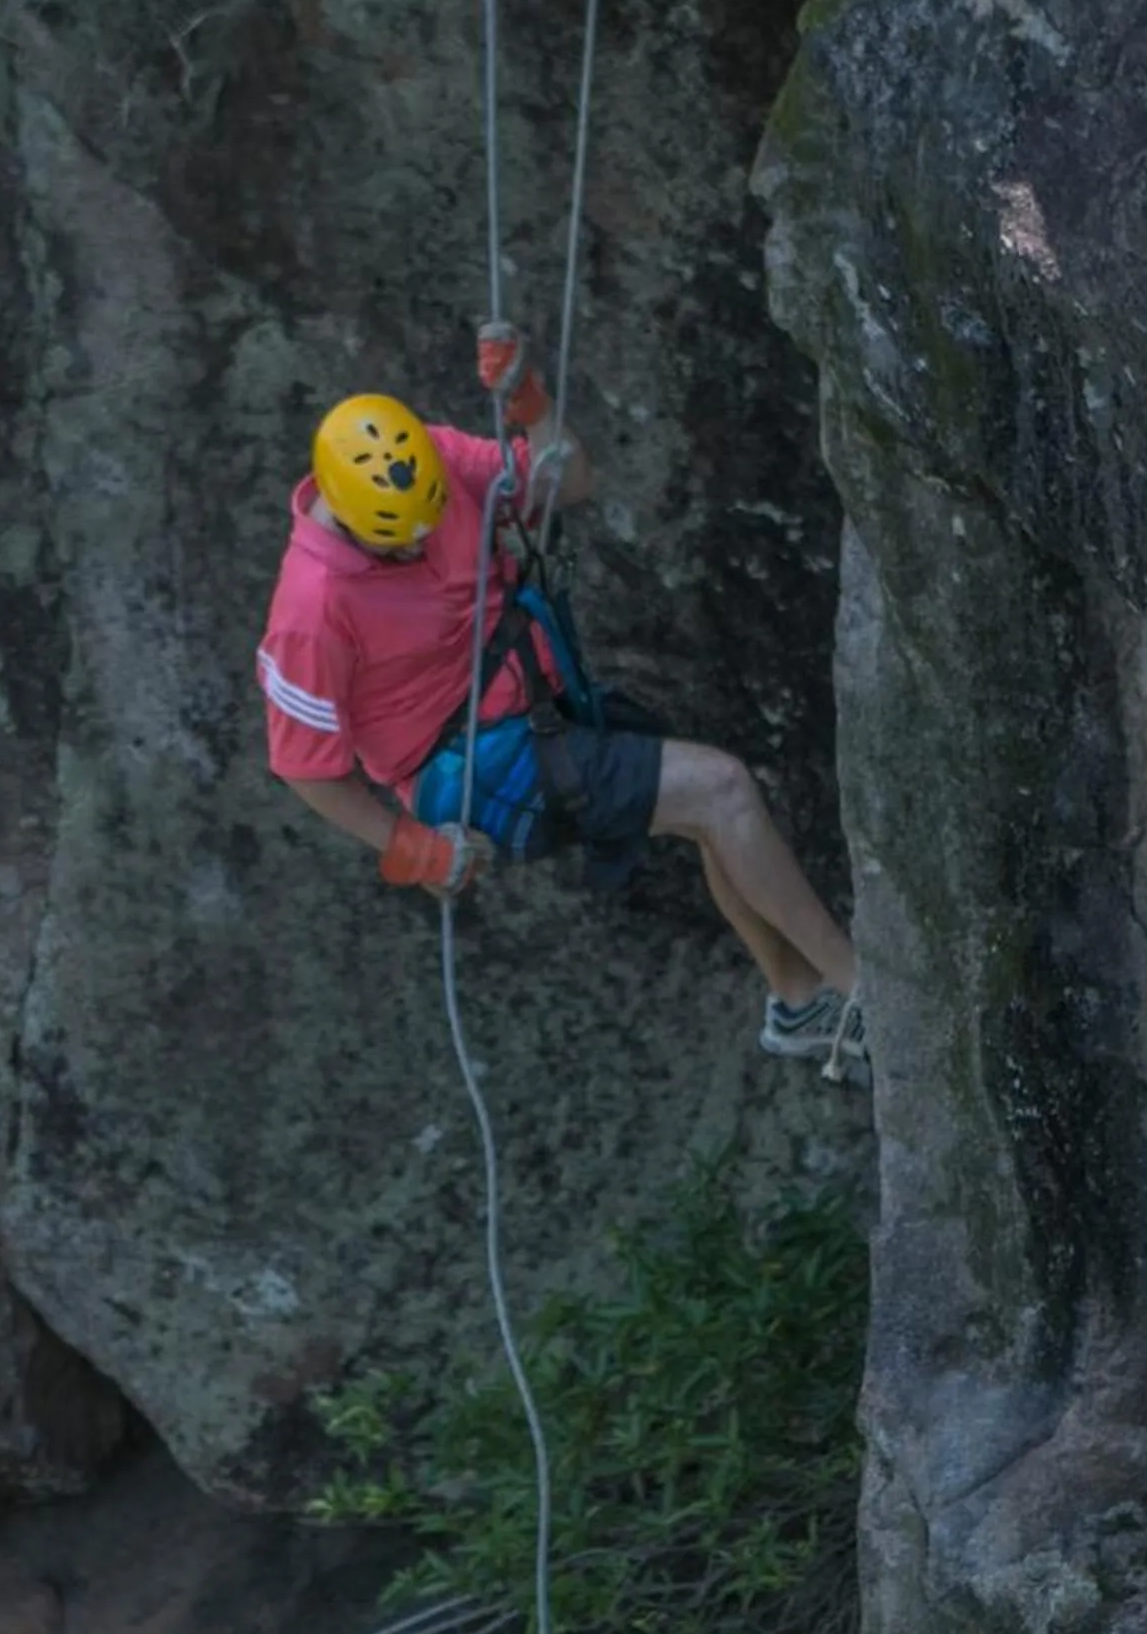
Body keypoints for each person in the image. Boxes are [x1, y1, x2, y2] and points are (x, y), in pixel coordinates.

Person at [254, 323, 868, 1080]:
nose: (418, 551)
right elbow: (303, 766)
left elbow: (566, 482)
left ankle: (799, 1000)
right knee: (722, 791)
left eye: (424, 532)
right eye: (395, 548)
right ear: (348, 520)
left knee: (704, 818)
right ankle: (864, 990)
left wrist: (531, 405)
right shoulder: (310, 609)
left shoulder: (429, 461)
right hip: (467, 766)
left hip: (536, 702)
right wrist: (412, 847)